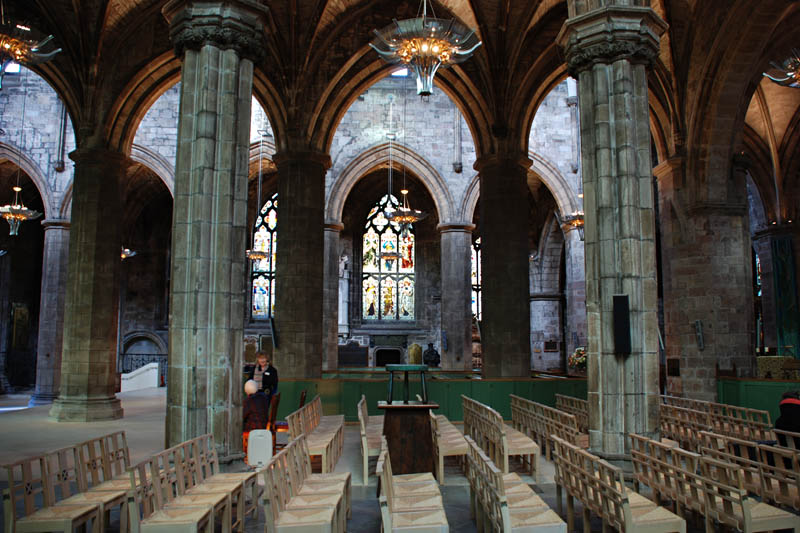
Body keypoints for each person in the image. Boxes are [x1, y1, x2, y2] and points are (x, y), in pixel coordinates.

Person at [242, 379, 269, 455]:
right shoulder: (264, 397)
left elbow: (242, 416)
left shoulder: (248, 401)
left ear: (246, 391)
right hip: (264, 425)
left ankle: (244, 452)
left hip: (253, 428)